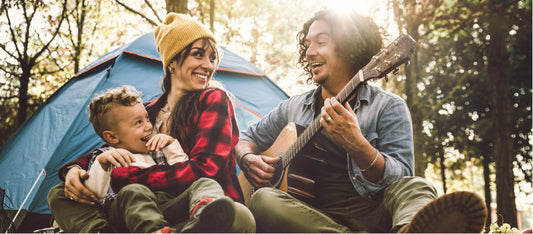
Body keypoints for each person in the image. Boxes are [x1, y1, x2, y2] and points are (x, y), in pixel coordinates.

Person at [236, 8, 487, 233]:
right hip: (309, 218)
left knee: (417, 187)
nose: (309, 52)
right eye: (307, 45)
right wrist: (247, 159)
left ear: (349, 45)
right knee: (263, 200)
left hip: (372, 216)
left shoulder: (388, 107)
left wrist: (358, 145)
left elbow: (401, 180)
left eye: (321, 42)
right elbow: (244, 139)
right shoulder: (293, 107)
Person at [47, 13, 255, 233]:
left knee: (135, 193)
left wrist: (126, 178)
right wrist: (73, 171)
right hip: (143, 205)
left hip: (195, 203)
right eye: (198, 55)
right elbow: (107, 149)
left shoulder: (211, 99)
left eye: (212, 58)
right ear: (172, 61)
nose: (208, 65)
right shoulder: (147, 112)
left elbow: (206, 170)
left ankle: (195, 223)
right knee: (58, 193)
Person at [83, 85, 189, 201]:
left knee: (204, 183)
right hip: (128, 210)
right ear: (112, 137)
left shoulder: (157, 151)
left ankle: (202, 209)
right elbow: (91, 195)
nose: (149, 126)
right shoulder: (105, 158)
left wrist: (171, 145)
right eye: (138, 122)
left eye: (147, 118)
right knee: (133, 192)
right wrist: (101, 164)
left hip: (165, 205)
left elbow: (185, 175)